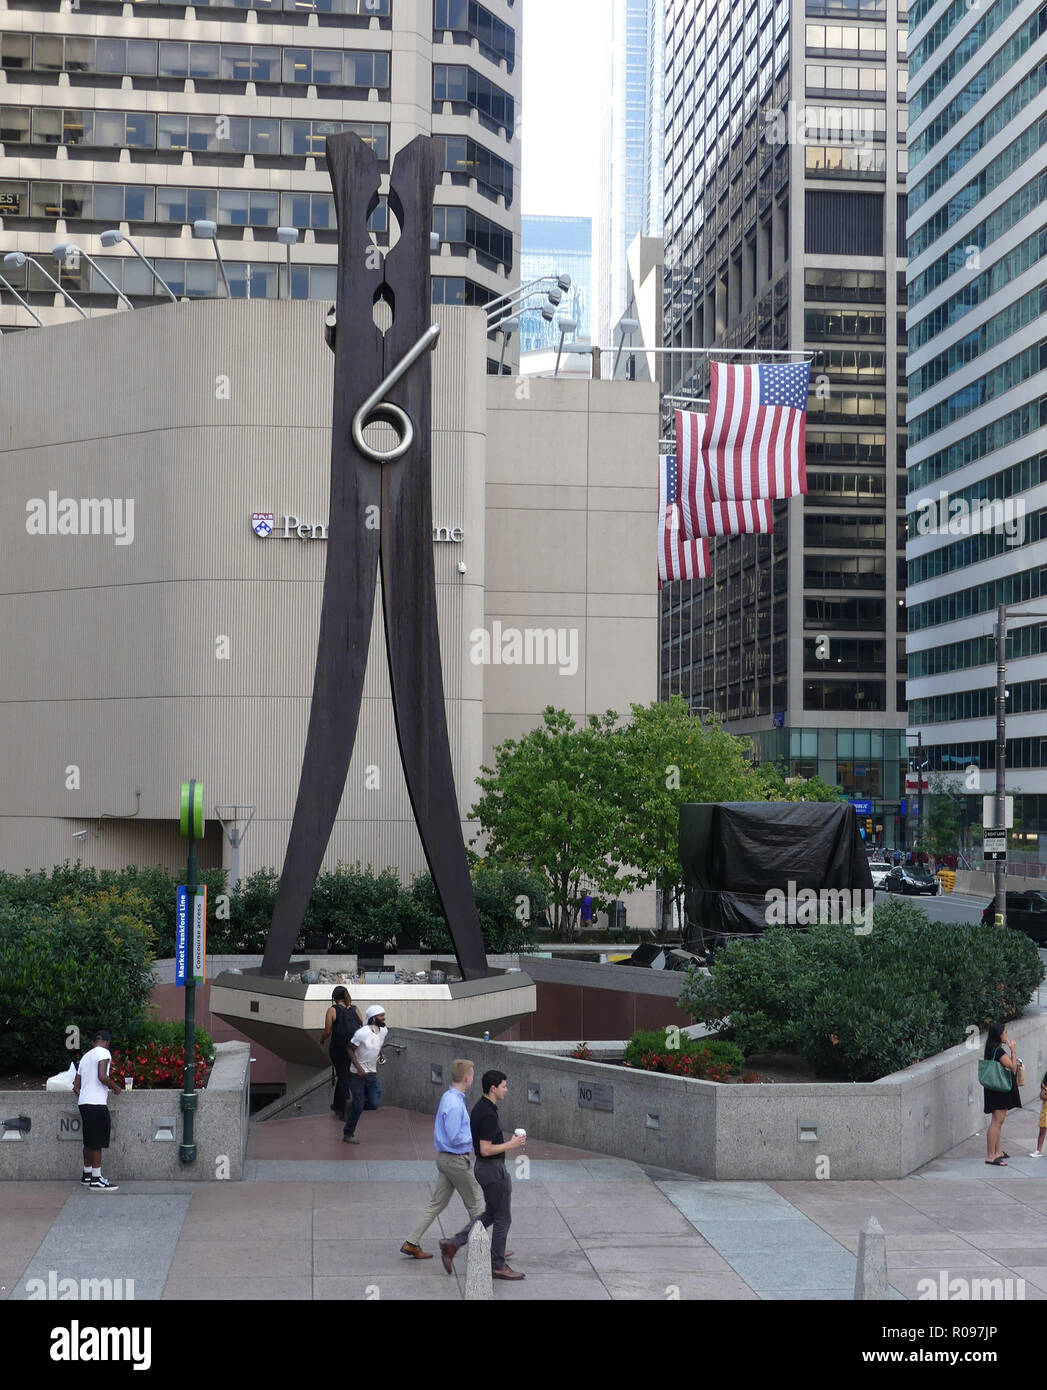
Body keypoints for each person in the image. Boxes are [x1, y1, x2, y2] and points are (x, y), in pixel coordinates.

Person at [440, 1069, 526, 1281]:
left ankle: (454, 1243)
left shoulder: (481, 1106)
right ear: (493, 1088)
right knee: (503, 1217)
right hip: (492, 1169)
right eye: (504, 1086)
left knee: (490, 1214)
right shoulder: (488, 1113)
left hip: (485, 1168)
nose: (506, 1090)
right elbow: (486, 1149)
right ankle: (497, 1265)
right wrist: (512, 1144)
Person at [400, 1059, 485, 1259]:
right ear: (466, 1078)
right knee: (477, 1204)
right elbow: (455, 1136)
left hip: (445, 1160)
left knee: (437, 1203)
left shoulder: (448, 1097)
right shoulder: (455, 1104)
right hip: (456, 1161)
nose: (473, 1079)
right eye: (472, 1075)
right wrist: (476, 1137)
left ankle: (411, 1242)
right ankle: (486, 1250)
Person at [72, 1028, 123, 1191]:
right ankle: (96, 1178)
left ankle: (86, 1175)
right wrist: (115, 1087)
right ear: (107, 1042)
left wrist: (85, 1094)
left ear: (95, 1041)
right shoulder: (104, 1053)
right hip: (96, 1104)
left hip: (84, 1103)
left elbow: (76, 1086)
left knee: (88, 1140)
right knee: (97, 1142)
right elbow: (102, 1076)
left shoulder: (85, 1057)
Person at [343, 1004, 387, 1145]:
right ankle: (348, 1133)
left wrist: (381, 1054)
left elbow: (377, 1043)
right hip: (357, 1074)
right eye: (381, 1015)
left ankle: (353, 1105)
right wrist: (359, 1068)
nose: (384, 1018)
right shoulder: (361, 1033)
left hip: (372, 1073)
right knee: (359, 1104)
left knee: (374, 1104)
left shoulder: (384, 1031)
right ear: (373, 1018)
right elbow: (349, 1050)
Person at [982, 1021, 1021, 1165]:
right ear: (998, 1035)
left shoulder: (991, 1049)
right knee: (996, 1122)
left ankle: (997, 1151)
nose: (1007, 1035)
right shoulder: (998, 1051)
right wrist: (1013, 1050)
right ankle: (990, 1155)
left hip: (994, 1088)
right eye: (1005, 1033)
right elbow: (1012, 1067)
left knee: (998, 1121)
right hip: (999, 1089)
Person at [323, 986, 362, 1120]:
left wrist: (322, 1040)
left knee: (343, 1076)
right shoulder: (355, 1009)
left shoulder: (332, 1010)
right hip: (353, 1048)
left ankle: (346, 1107)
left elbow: (328, 1031)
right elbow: (361, 1027)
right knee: (344, 1074)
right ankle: (337, 1105)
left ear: (334, 998)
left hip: (338, 1049)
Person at [1031, 1068, 1047, 1158]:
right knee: (1042, 1131)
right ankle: (1038, 1150)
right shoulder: (1044, 1085)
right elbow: (1042, 1096)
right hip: (1045, 1112)